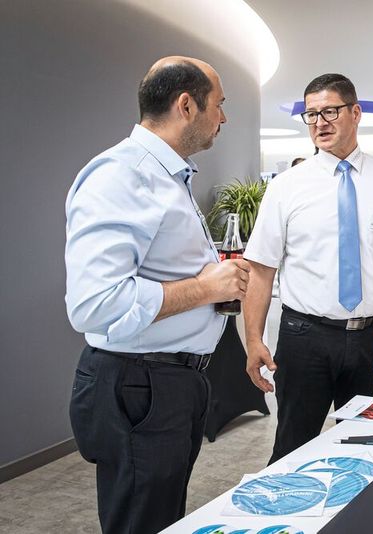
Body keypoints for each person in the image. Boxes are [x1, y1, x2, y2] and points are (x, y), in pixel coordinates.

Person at [65, 57, 249, 533]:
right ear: (186, 105)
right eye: (219, 105)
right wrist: (205, 287)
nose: (224, 117)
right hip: (141, 386)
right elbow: (95, 304)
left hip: (169, 384)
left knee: (161, 518)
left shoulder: (169, 175)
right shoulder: (122, 175)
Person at [242, 73, 373, 463]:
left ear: (356, 113)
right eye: (311, 115)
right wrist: (253, 339)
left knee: (371, 444)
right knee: (293, 448)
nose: (320, 123)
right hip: (304, 338)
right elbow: (261, 268)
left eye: (330, 111)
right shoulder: (286, 186)